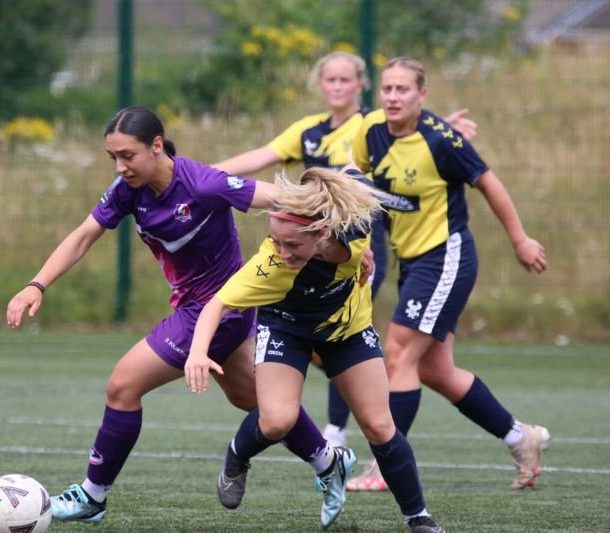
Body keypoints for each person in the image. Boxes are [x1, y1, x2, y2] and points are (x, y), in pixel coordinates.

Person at [5, 106, 344, 525]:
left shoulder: (203, 184)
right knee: (256, 401)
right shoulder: (129, 189)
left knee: (123, 386)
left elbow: (284, 200)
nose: (120, 166)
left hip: (218, 309)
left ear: (157, 146)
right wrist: (36, 284)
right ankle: (329, 461)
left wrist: (346, 239)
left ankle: (93, 496)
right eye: (113, 156)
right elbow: (83, 236)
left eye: (127, 155)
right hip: (197, 308)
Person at [214, 50, 477, 449]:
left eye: (345, 80)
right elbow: (261, 156)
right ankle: (333, 415)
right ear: (320, 85)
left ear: (360, 85)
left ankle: (336, 431)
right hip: (306, 250)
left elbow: (417, 134)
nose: (337, 87)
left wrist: (442, 128)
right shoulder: (309, 130)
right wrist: (201, 174)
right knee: (321, 339)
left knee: (343, 329)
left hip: (355, 250)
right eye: (330, 80)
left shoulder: (372, 126)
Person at [184, 167, 445, 533]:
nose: (282, 251)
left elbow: (352, 177)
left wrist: (364, 257)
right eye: (276, 240)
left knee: (379, 426)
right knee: (277, 420)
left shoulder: (353, 229)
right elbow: (217, 305)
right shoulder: (270, 266)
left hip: (347, 331)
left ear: (322, 232)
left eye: (292, 245)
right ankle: (236, 455)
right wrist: (198, 352)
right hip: (286, 328)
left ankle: (418, 517)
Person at [346, 56, 550, 493]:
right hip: (412, 261)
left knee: (398, 354)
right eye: (387, 89)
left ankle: (386, 467)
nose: (393, 97)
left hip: (446, 257)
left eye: (403, 89)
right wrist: (359, 245)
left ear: (423, 95)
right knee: (435, 369)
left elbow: (490, 183)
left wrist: (520, 240)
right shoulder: (370, 131)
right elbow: (357, 182)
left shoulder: (442, 140)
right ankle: (521, 437)